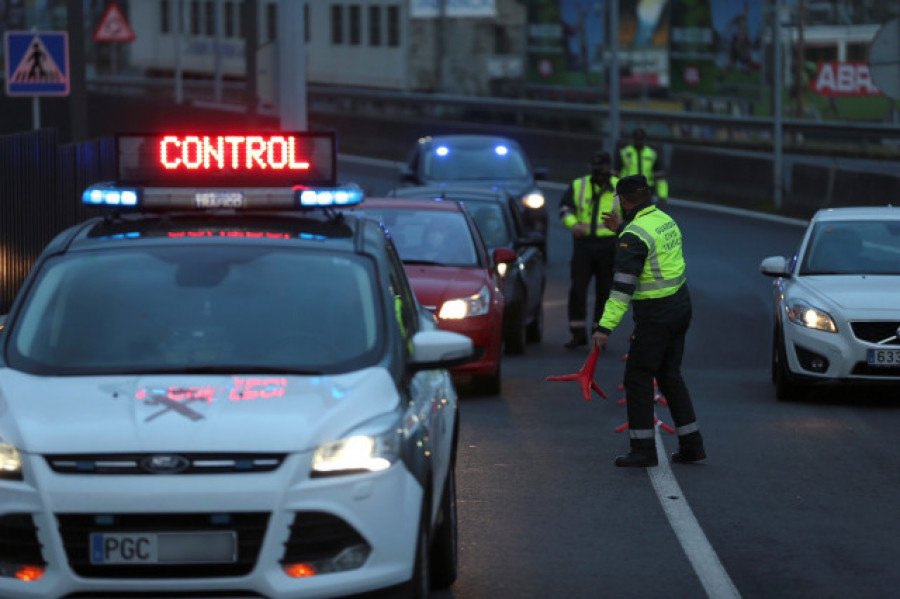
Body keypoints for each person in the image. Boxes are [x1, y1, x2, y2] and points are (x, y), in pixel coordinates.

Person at [592, 175, 705, 467]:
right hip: (680, 306)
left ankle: (643, 449)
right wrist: (623, 232)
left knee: (638, 378)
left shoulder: (633, 236)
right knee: (669, 376)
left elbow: (621, 289)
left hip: (656, 315)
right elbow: (649, 250)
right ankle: (692, 446)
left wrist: (604, 328)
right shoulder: (663, 220)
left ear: (624, 200)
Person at [558, 151, 622, 349]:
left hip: (608, 247)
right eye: (595, 170)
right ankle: (577, 333)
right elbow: (565, 209)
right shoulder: (579, 185)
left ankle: (599, 334)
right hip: (584, 246)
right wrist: (573, 225)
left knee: (604, 291)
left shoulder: (620, 188)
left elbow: (633, 215)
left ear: (609, 169)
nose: (598, 174)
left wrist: (621, 227)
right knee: (578, 289)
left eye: (601, 169)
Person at [614, 128, 669, 206]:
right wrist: (614, 193)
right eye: (637, 139)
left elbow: (660, 177)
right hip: (627, 191)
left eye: (641, 139)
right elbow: (615, 175)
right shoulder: (625, 153)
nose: (639, 142)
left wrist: (662, 196)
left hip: (646, 192)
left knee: (644, 216)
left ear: (645, 139)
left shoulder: (652, 154)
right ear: (632, 139)